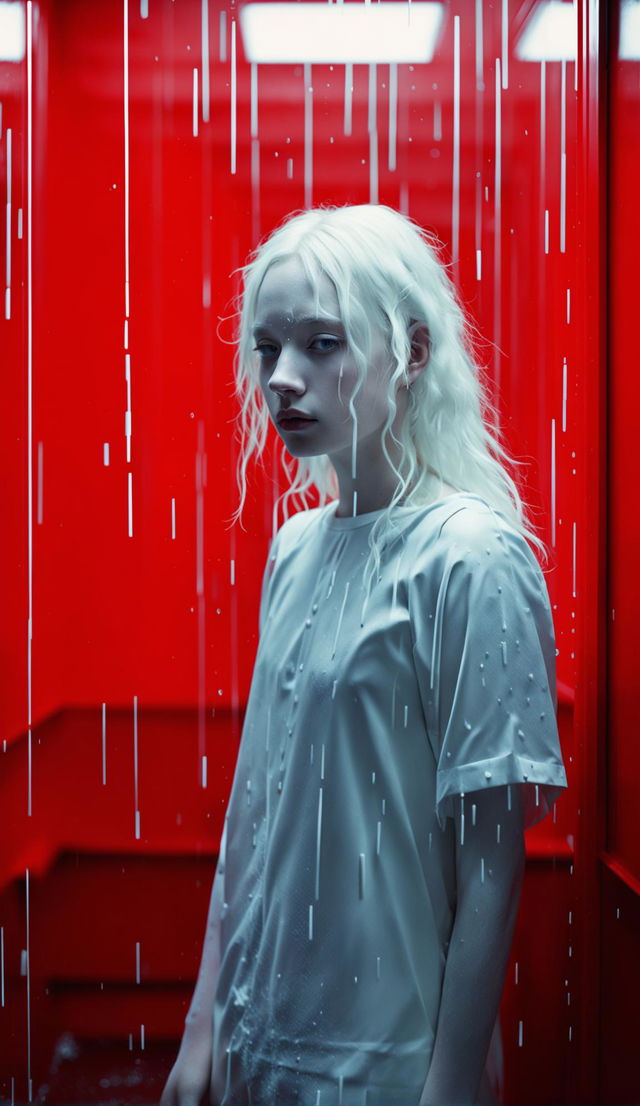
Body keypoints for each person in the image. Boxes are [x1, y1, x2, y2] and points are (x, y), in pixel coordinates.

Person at [160, 204, 568, 1106]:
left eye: (322, 343)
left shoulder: (472, 556)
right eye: (268, 350)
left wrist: (452, 1080)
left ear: (413, 353)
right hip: (256, 1037)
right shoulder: (294, 548)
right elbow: (253, 808)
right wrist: (202, 1026)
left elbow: (493, 858)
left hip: (385, 1056)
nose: (284, 380)